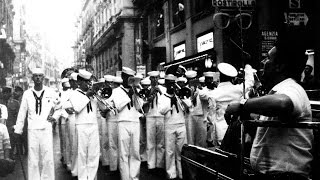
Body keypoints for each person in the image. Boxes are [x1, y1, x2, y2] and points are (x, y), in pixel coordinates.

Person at [225, 44, 313, 180]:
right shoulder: (279, 90)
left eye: (267, 58)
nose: (263, 62)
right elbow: (269, 135)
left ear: (280, 66)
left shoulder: (292, 88)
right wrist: (247, 118)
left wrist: (243, 105)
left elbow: (283, 103)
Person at [14, 68, 57, 180]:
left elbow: (59, 107)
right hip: (32, 130)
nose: (38, 78)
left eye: (40, 76)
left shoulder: (50, 92)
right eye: (36, 76)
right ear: (32, 78)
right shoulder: (27, 94)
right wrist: (18, 130)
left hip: (46, 129)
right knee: (33, 159)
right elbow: (22, 112)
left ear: (43, 77)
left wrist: (54, 117)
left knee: (47, 158)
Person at [206, 63, 254, 146]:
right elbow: (249, 83)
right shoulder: (238, 89)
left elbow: (211, 118)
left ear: (219, 77)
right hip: (237, 129)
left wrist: (211, 137)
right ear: (233, 78)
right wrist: (248, 67)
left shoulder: (212, 94)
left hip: (220, 130)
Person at [109, 67, 142, 180]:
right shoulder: (116, 91)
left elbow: (139, 107)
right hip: (123, 122)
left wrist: (137, 94)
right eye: (129, 78)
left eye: (132, 79)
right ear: (123, 78)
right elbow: (118, 106)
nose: (131, 81)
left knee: (135, 152)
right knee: (124, 153)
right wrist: (129, 95)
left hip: (135, 121)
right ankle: (125, 178)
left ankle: (134, 177)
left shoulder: (135, 90)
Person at [68, 69, 100, 180]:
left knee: (93, 155)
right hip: (81, 125)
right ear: (79, 82)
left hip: (93, 125)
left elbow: (103, 108)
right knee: (82, 155)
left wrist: (100, 96)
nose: (88, 84)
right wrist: (87, 96)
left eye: (89, 81)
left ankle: (91, 178)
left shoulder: (94, 94)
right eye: (85, 82)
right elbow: (77, 108)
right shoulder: (74, 94)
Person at [158, 74, 190, 180]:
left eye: (173, 84)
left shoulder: (180, 95)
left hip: (181, 124)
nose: (172, 86)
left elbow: (189, 106)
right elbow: (161, 110)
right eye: (170, 84)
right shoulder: (162, 97)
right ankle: (171, 175)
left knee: (182, 151)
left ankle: (181, 174)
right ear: (166, 84)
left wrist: (181, 97)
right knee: (170, 151)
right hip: (169, 125)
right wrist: (170, 103)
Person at [145, 71, 165, 172]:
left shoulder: (164, 89)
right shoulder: (146, 90)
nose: (155, 80)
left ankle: (160, 164)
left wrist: (160, 93)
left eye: (156, 78)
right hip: (150, 116)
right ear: (150, 79)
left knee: (161, 142)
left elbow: (166, 101)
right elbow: (144, 104)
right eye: (152, 78)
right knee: (150, 141)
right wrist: (151, 94)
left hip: (160, 116)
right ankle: (151, 165)